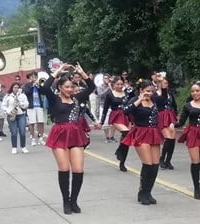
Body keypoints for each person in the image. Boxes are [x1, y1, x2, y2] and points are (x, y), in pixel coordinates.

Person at [40, 63, 99, 215]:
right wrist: (57, 72)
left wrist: (83, 73)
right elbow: (45, 88)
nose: (70, 90)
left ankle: (74, 200)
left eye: (71, 87)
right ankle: (66, 201)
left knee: (78, 169)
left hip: (75, 134)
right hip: (60, 133)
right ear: (60, 87)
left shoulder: (77, 98)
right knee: (64, 168)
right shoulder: (54, 99)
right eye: (66, 87)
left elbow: (91, 88)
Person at [122, 79, 164, 205]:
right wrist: (140, 99)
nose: (149, 93)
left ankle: (148, 191)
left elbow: (165, 96)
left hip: (153, 133)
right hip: (141, 132)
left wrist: (160, 82)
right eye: (147, 91)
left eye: (151, 91)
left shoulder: (154, 100)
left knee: (155, 165)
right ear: (141, 90)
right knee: (148, 164)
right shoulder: (134, 100)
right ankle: (142, 192)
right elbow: (125, 111)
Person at [101, 78, 135, 172]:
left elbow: (134, 102)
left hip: (126, 115)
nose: (120, 86)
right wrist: (101, 121)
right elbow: (105, 108)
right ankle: (120, 151)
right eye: (117, 84)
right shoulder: (110, 94)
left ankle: (122, 161)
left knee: (127, 139)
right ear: (113, 85)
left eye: (121, 84)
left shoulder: (127, 94)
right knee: (126, 132)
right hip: (116, 116)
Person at [153, 77, 178, 170]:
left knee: (172, 139)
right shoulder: (155, 95)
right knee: (167, 138)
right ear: (158, 84)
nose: (165, 85)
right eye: (163, 83)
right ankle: (162, 159)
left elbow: (174, 105)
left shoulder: (170, 93)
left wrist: (176, 115)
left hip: (170, 116)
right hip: (161, 116)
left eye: (166, 83)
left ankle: (168, 161)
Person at [2, 82, 29, 154]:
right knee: (14, 132)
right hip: (12, 115)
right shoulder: (8, 96)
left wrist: (20, 103)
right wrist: (8, 111)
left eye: (17, 88)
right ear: (12, 88)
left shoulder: (22, 95)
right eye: (15, 88)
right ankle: (14, 147)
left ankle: (23, 146)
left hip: (21, 114)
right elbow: (3, 105)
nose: (16, 89)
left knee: (22, 131)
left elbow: (26, 105)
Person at [22, 72, 47, 146]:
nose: (34, 78)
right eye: (32, 76)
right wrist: (32, 86)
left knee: (41, 122)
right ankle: (33, 138)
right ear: (29, 78)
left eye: (35, 76)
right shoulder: (27, 85)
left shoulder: (38, 84)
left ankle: (41, 138)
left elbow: (43, 92)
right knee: (32, 123)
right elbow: (27, 93)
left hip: (39, 106)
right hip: (31, 106)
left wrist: (39, 86)